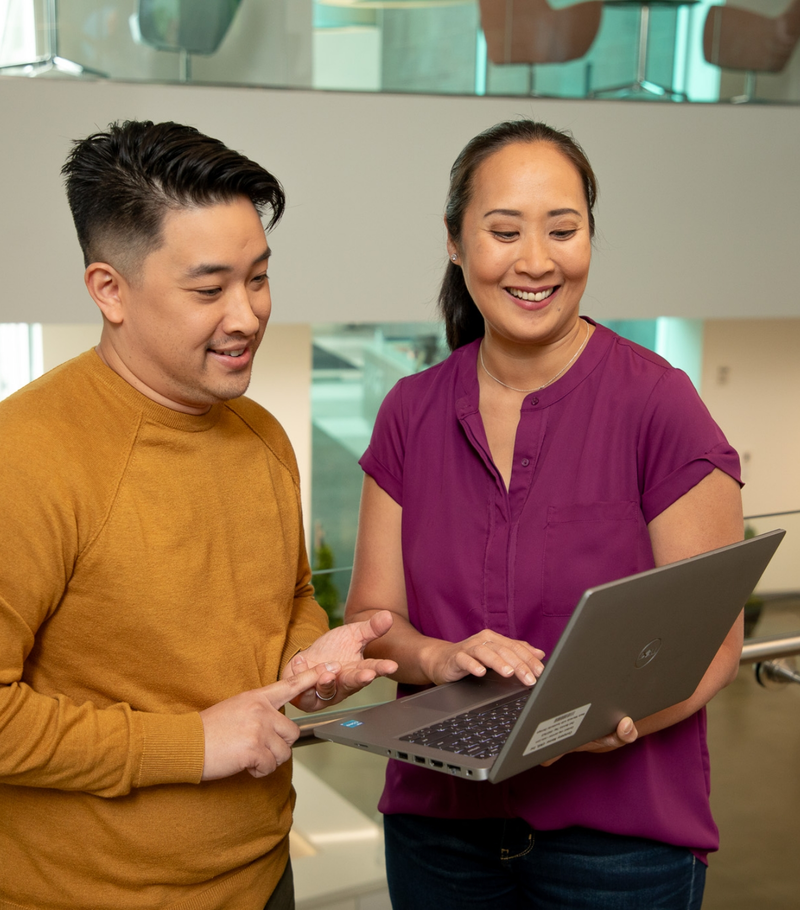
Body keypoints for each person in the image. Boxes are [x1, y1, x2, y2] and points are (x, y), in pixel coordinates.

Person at [345, 119, 744, 909]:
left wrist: (603, 720)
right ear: (457, 244)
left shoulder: (658, 403)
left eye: (564, 230)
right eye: (503, 232)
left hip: (620, 844)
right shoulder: (410, 410)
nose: (536, 261)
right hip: (440, 833)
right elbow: (374, 617)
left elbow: (711, 642)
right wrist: (437, 658)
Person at [0, 120, 396, 910]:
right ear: (110, 290)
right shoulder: (29, 457)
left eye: (259, 278)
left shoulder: (261, 435)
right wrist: (193, 744)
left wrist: (306, 666)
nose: (247, 316)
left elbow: (285, 601)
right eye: (209, 289)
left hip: (262, 876)